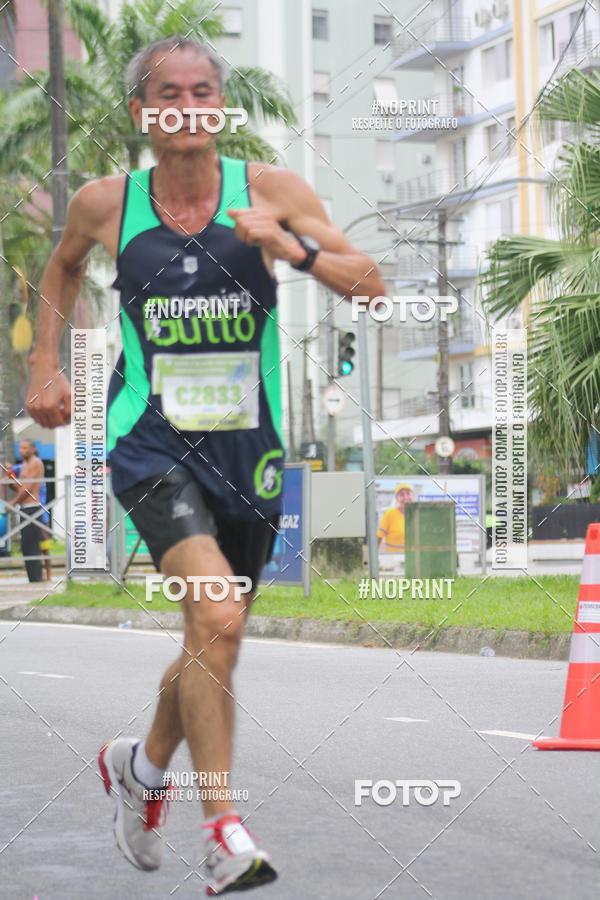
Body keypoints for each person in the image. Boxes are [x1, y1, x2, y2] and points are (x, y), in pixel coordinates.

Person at [25, 35, 385, 895]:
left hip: (248, 449)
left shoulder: (271, 191)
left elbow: (368, 280)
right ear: (144, 114)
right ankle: (224, 831)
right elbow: (62, 269)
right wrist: (48, 364)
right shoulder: (105, 204)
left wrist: (289, 248)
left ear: (219, 107)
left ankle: (141, 769)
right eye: (168, 93)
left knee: (212, 640)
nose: (188, 106)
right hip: (149, 439)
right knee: (216, 619)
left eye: (203, 91)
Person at [8, 440, 45, 582]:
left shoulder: (35, 462)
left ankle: (36, 579)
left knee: (32, 544)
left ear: (32, 449)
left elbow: (28, 488)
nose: (21, 450)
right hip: (23, 507)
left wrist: (12, 502)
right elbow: (19, 488)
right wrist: (10, 476)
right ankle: (32, 578)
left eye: (25, 448)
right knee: (26, 545)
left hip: (33, 507)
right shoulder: (23, 465)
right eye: (20, 448)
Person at [377, 482, 416, 554]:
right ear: (397, 498)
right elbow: (379, 537)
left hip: (415, 558)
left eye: (408, 493)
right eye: (402, 495)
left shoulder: (418, 514)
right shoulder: (389, 514)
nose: (406, 497)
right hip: (394, 560)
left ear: (413, 496)